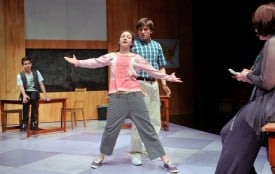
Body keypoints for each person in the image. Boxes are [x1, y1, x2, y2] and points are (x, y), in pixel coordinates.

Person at [64, 30, 182, 173]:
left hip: (135, 97)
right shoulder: (111, 56)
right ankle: (101, 157)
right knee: (110, 129)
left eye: (128, 37)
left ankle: (165, 160)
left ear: (132, 42)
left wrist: (168, 77)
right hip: (117, 98)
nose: (125, 38)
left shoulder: (136, 58)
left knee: (148, 129)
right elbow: (95, 62)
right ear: (119, 41)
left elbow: (152, 70)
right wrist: (77, 62)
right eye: (122, 36)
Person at [215, 2, 275, 174]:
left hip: (266, 105)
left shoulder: (272, 42)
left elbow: (268, 82)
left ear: (266, 23)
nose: (255, 29)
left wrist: (247, 76)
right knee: (227, 132)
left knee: (232, 135)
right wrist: (249, 76)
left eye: (257, 24)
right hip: (264, 101)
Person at [129, 17, 171, 166]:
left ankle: (150, 149)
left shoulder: (157, 46)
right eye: (140, 29)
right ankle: (135, 153)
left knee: (155, 121)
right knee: (137, 121)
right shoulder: (134, 47)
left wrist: (164, 83)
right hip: (138, 84)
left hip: (153, 85)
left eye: (145, 29)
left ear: (151, 31)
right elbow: (128, 69)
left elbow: (161, 67)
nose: (142, 32)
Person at [17, 56, 50, 131]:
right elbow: (21, 86)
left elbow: (41, 84)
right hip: (25, 92)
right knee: (25, 102)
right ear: (23, 65)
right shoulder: (20, 75)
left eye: (28, 63)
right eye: (25, 64)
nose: (27, 65)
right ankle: (24, 122)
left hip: (35, 91)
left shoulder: (36, 72)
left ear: (31, 64)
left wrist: (46, 95)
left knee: (33, 98)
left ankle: (33, 122)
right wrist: (24, 95)